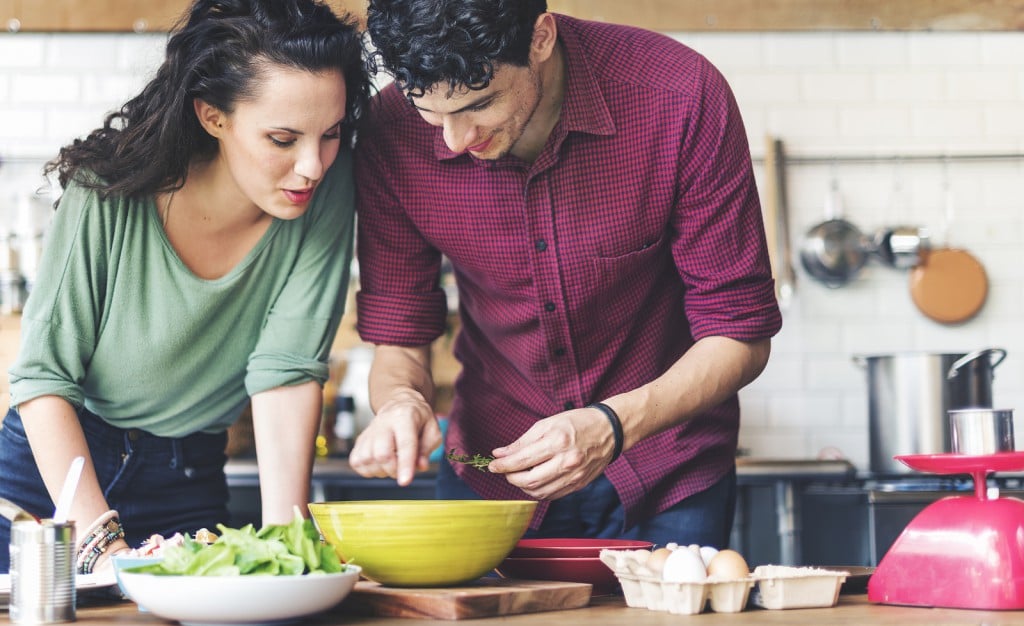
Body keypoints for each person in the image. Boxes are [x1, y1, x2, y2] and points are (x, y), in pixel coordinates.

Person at [348, 0, 783, 548]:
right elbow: (400, 339)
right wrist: (401, 402)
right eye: (431, 115)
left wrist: (614, 424)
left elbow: (741, 335)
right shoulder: (390, 132)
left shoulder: (679, 95)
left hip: (668, 468)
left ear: (541, 38)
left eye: (480, 105)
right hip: (491, 473)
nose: (455, 141)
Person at [0, 0, 371, 574]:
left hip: (189, 478)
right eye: (282, 138)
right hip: (54, 482)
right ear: (212, 116)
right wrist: (98, 547)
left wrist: (289, 549)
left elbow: (287, 370)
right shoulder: (108, 190)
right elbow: (44, 378)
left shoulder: (326, 184)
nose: (312, 166)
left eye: (330, 134)